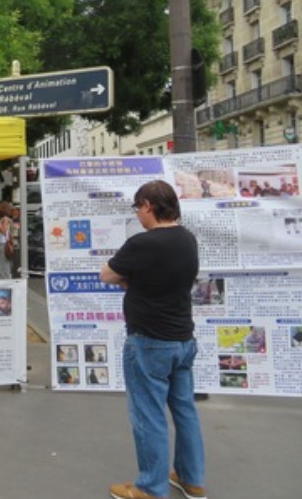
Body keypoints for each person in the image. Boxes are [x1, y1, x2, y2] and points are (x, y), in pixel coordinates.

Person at [100, 180, 206, 499]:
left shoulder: (142, 244)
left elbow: (106, 274)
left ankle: (150, 487)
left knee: (149, 415)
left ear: (148, 205)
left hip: (149, 342)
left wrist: (131, 282)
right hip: (183, 340)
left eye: (138, 208)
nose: (137, 214)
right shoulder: (187, 239)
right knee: (185, 410)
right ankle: (191, 478)